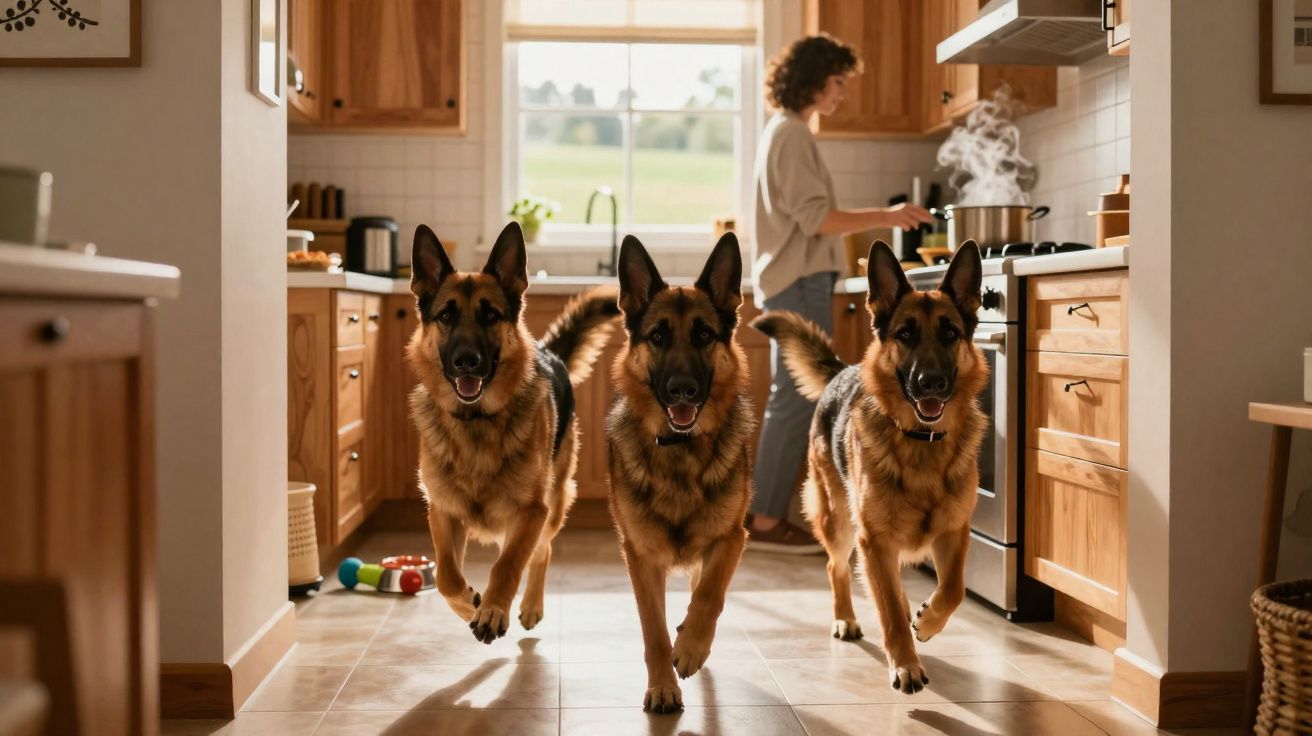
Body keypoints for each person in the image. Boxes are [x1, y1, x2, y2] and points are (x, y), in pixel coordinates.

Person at [748, 34, 933, 553]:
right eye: (836, 83)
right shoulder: (792, 135)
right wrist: (889, 216)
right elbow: (817, 219)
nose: (842, 95)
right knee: (796, 399)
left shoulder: (783, 132)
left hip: (795, 280)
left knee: (793, 398)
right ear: (811, 81)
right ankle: (763, 520)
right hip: (798, 281)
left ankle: (766, 516)